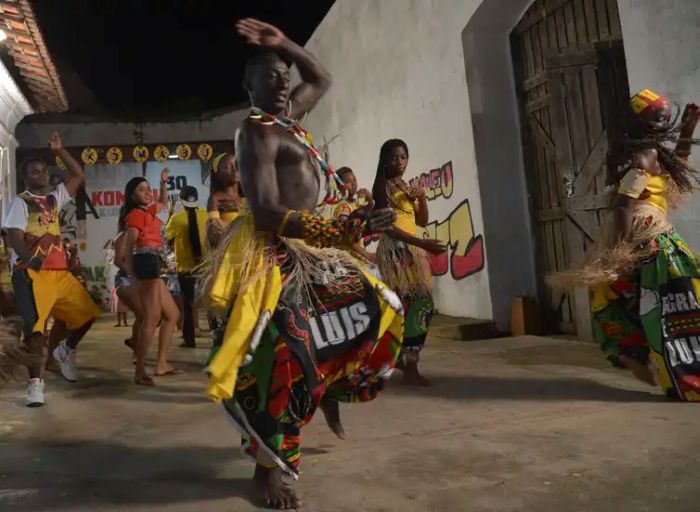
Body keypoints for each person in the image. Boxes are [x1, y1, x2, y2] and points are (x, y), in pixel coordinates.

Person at [204, 18, 404, 509]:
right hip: (273, 250)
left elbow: (323, 80)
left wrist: (284, 43)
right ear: (248, 86)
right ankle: (265, 469)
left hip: (313, 248)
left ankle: (331, 387)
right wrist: (339, 230)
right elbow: (270, 213)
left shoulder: (288, 116)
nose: (281, 82)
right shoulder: (255, 133)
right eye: (269, 75)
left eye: (283, 74)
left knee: (381, 309)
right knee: (285, 355)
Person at [549, 90, 700, 400]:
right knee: (635, 302)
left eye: (665, 119)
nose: (663, 123)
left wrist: (687, 130)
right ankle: (652, 364)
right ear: (641, 123)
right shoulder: (641, 156)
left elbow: (677, 168)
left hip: (654, 237)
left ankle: (644, 358)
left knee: (635, 300)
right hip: (647, 239)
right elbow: (621, 206)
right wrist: (619, 253)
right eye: (657, 119)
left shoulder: (655, 151)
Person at [3, 132, 101, 406]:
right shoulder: (19, 202)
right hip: (30, 273)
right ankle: (35, 385)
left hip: (59, 272)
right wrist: (28, 258)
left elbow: (78, 175)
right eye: (35, 172)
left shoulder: (55, 199)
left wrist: (60, 151)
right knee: (35, 331)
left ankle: (64, 351)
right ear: (26, 178)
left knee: (88, 314)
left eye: (45, 171)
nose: (42, 175)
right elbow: (13, 235)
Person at [371, 139, 446, 386]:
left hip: (412, 249)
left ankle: (406, 358)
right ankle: (404, 361)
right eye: (394, 158)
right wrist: (424, 245)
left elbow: (422, 221)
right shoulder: (381, 187)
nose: (400, 162)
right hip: (396, 252)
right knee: (408, 305)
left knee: (421, 305)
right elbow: (389, 229)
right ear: (384, 160)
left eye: (403, 157)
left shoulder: (404, 185)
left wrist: (422, 198)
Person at [123, 169, 180, 385]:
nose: (148, 193)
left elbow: (163, 203)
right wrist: (131, 274)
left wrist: (162, 183)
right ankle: (139, 372)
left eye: (149, 189)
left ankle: (162, 363)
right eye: (142, 189)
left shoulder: (150, 212)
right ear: (132, 196)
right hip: (145, 263)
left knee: (173, 314)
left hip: (154, 262)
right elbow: (129, 247)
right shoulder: (136, 215)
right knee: (152, 318)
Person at [165, 186, 207, 347]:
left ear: (181, 201)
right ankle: (219, 336)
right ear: (196, 199)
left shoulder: (176, 219)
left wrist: (170, 214)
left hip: (186, 270)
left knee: (187, 306)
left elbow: (167, 238)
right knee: (214, 305)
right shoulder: (205, 216)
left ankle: (189, 340)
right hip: (207, 268)